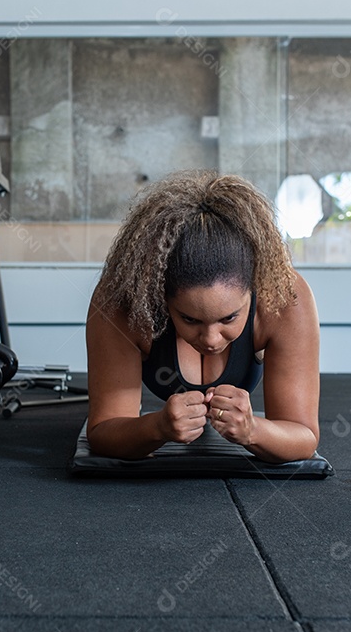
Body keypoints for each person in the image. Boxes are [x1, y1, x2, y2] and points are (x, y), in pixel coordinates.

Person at [85, 170, 320, 463]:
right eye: (190, 319)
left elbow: (304, 437)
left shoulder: (284, 298)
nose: (210, 340)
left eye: (229, 318)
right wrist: (157, 427)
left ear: (254, 289)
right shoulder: (123, 301)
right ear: (161, 295)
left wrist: (252, 431)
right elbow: (103, 431)